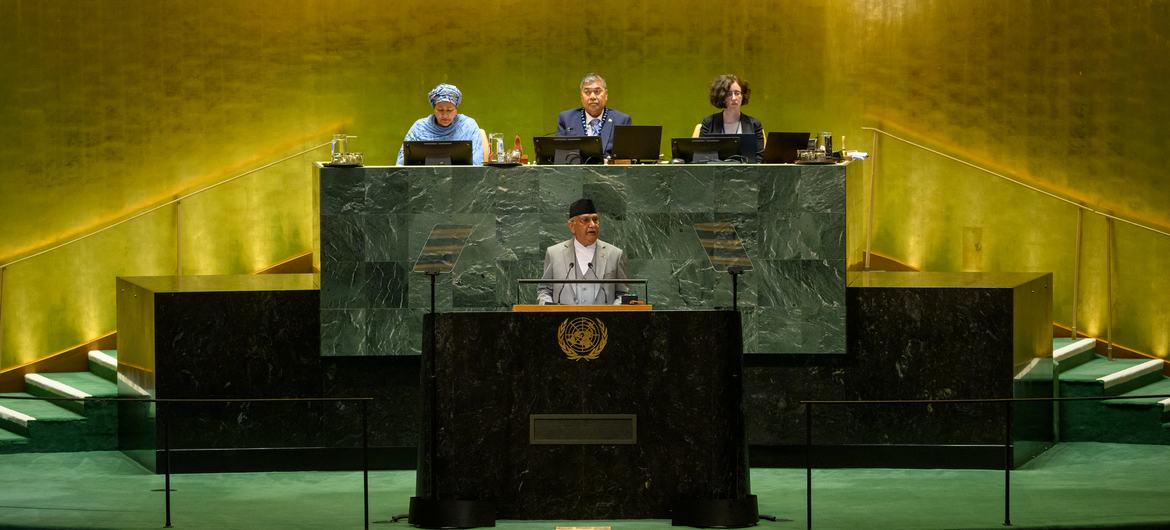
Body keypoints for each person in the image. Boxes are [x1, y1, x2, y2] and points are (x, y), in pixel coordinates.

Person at [537, 198, 630, 305]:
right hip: (564, 321)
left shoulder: (615, 254)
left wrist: (612, 313)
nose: (592, 225)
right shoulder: (554, 253)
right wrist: (549, 308)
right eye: (585, 220)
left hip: (604, 321)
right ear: (572, 226)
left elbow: (622, 294)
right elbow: (544, 290)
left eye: (595, 220)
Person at [396, 83, 485, 165]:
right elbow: (402, 163)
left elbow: (477, 162)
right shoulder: (419, 128)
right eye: (440, 110)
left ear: (456, 109)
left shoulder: (468, 126)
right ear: (434, 109)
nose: (445, 115)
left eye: (450, 110)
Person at [556, 73, 632, 156]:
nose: (592, 97)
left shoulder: (621, 120)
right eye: (587, 92)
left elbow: (625, 159)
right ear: (581, 96)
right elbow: (560, 156)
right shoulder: (567, 119)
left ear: (606, 95)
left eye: (597, 92)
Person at [695, 74, 765, 162]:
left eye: (737, 93)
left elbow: (759, 158)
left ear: (743, 96)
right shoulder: (708, 122)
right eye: (729, 94)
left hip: (747, 173)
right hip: (715, 173)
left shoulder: (754, 124)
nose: (734, 98)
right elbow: (702, 157)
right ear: (721, 97)